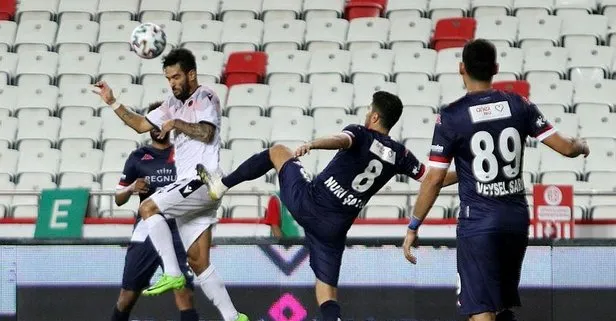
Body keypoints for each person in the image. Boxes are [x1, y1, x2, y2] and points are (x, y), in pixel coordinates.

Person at [197, 91, 458, 321]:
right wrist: (466, 172)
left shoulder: (360, 132)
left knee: (277, 151)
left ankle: (221, 185)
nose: (367, 113)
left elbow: (340, 139)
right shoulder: (401, 155)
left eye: (370, 109)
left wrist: (313, 144)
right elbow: (433, 179)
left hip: (309, 203)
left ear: (375, 117)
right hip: (334, 228)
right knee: (326, 291)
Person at [402, 39, 590, 321]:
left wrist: (414, 225)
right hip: (515, 221)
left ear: (461, 68)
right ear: (496, 68)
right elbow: (565, 147)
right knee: (501, 307)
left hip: (478, 224)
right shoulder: (518, 104)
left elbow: (433, 180)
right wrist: (582, 145)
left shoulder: (451, 116)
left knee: (480, 310)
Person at [93, 48, 248, 321]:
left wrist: (176, 122)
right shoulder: (170, 103)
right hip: (196, 192)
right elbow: (141, 124)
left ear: (191, 74)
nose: (173, 83)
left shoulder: (204, 97)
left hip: (203, 180)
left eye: (176, 77)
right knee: (199, 263)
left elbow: (206, 132)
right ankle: (234, 317)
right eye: (168, 79)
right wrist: (113, 102)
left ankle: (172, 274)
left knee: (148, 208)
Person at [112, 101, 199, 321]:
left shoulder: (184, 154)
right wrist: (132, 188)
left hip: (176, 231)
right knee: (126, 297)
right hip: (146, 232)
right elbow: (119, 198)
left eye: (162, 122)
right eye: (153, 122)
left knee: (184, 295)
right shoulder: (138, 157)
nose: (158, 127)